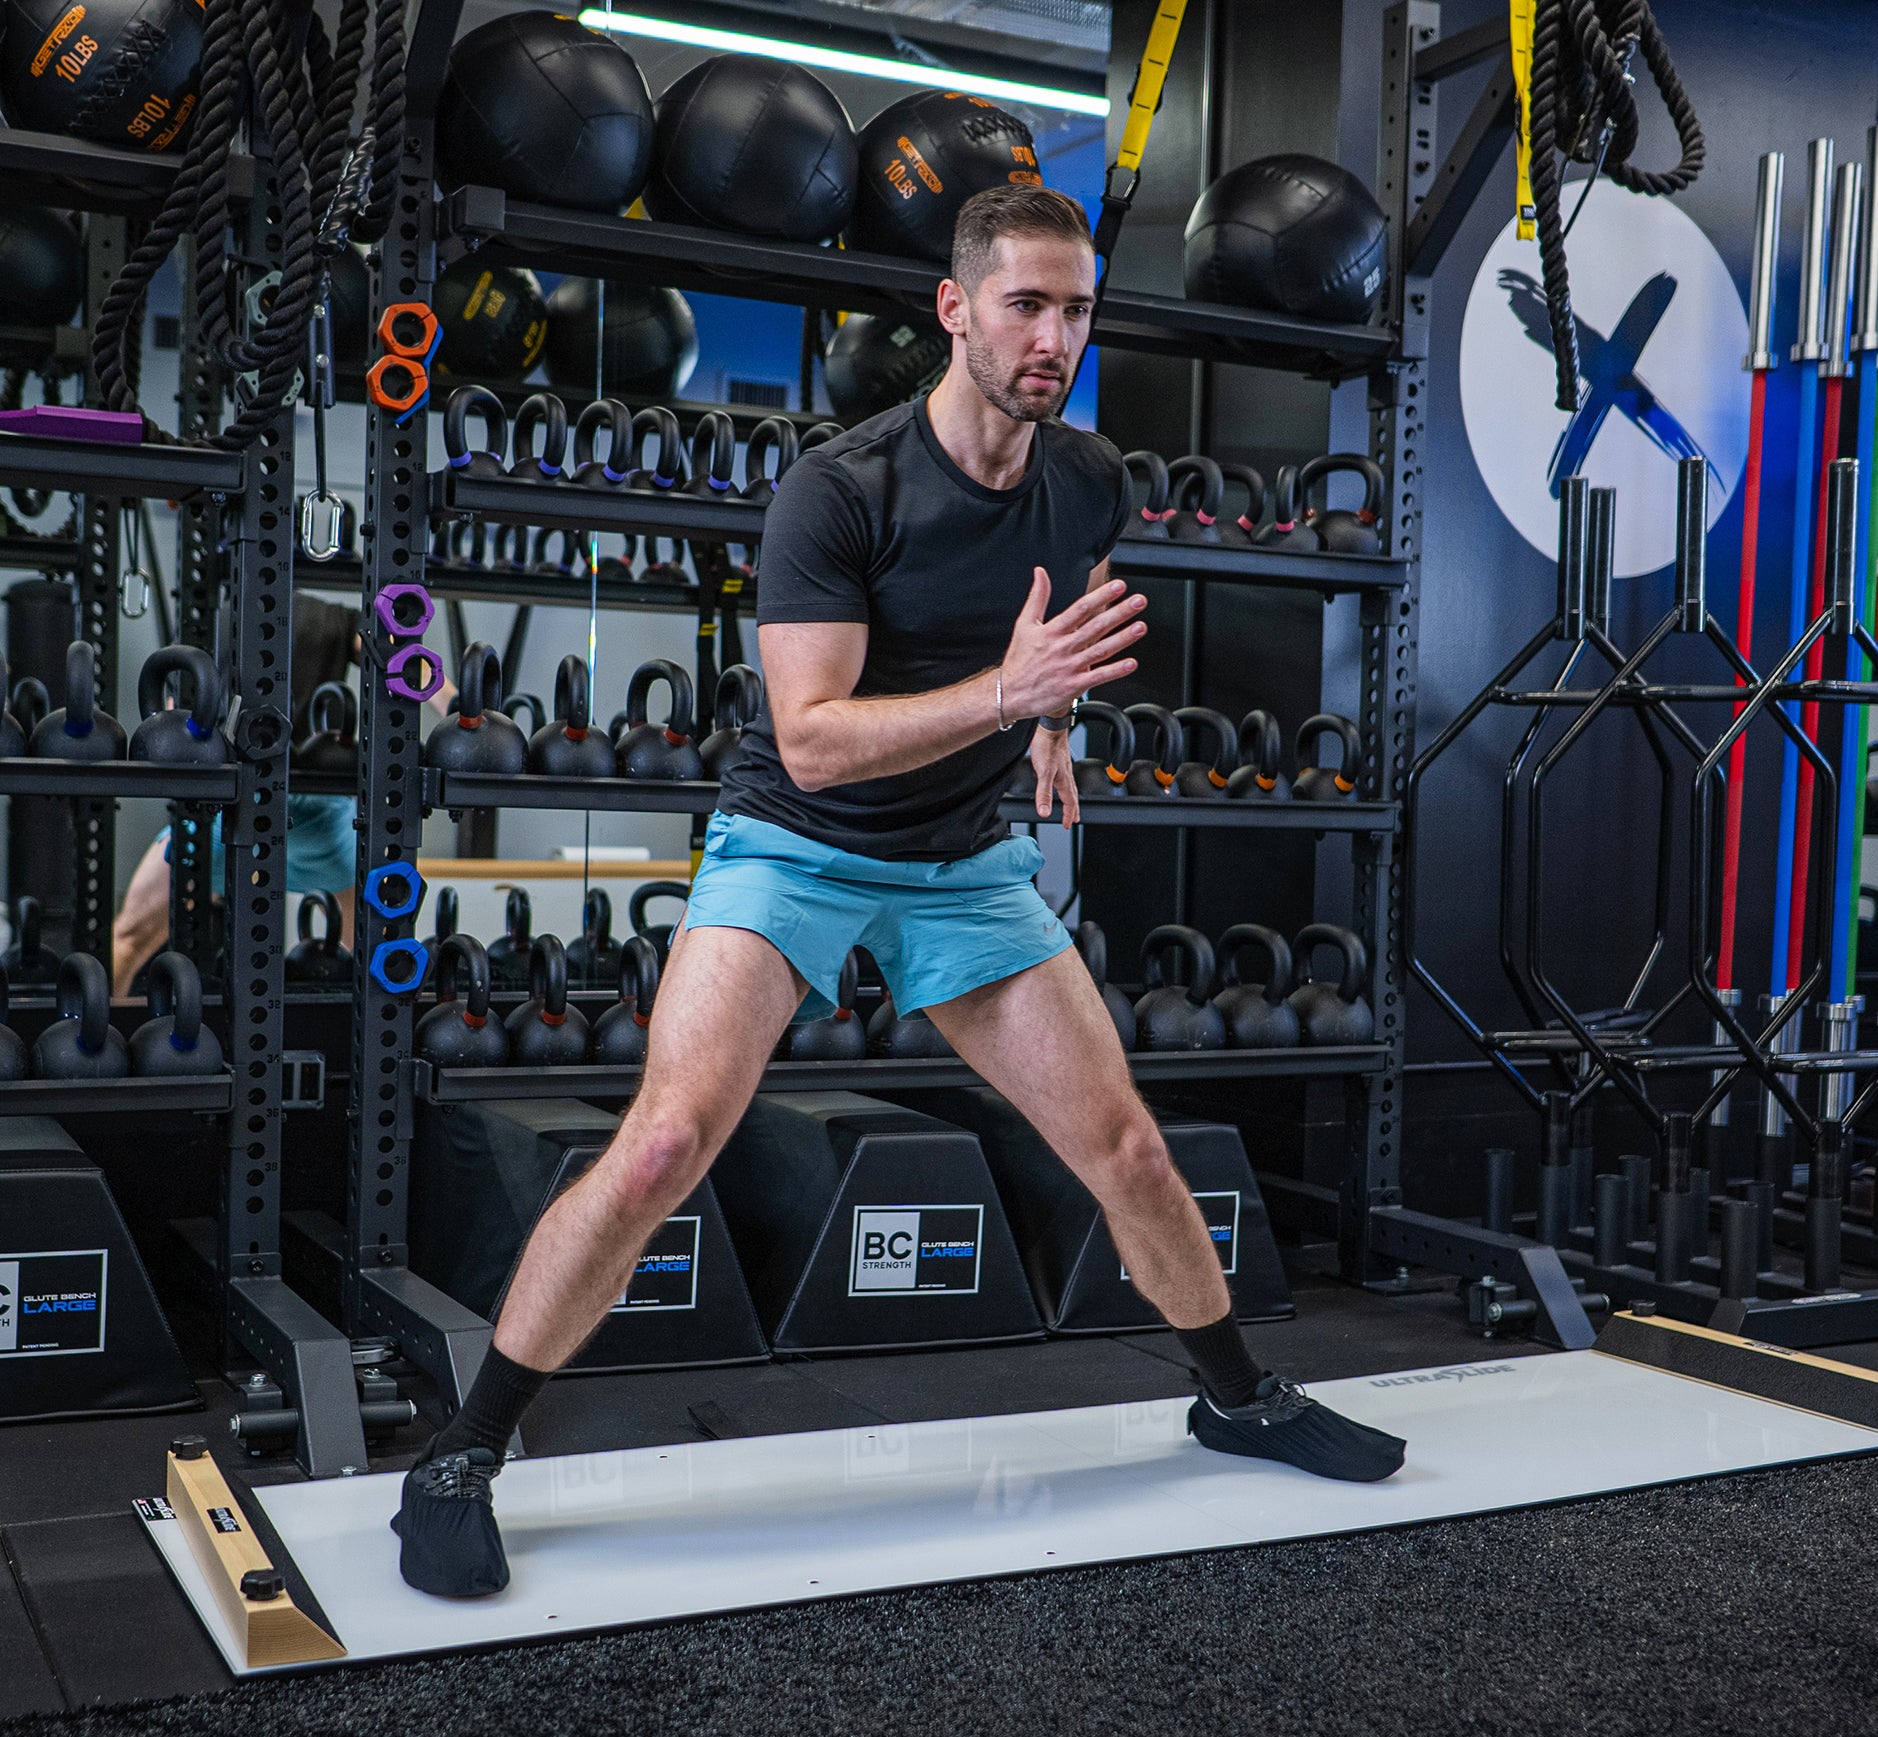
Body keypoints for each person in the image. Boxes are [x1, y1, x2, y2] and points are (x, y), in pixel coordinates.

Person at [393, 183, 1405, 1600]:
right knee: (664, 1146)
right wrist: (1009, 693)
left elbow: (1062, 608)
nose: (1055, 336)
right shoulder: (841, 489)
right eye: (1027, 305)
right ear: (955, 309)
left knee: (1126, 1150)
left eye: (1077, 310)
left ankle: (1236, 1395)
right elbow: (809, 733)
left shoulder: (1087, 475)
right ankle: (462, 1452)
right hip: (794, 846)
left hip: (961, 863)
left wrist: (1046, 724)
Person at [111, 595, 363, 995]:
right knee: (373, 954)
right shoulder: (331, 618)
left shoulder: (213, 615)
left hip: (248, 808)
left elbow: (177, 708)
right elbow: (401, 657)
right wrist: (456, 705)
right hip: (268, 811)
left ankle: (93, 1043)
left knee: (129, 937)